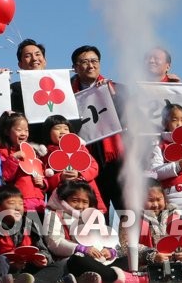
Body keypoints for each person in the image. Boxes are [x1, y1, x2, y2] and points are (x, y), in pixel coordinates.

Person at [69, 45, 124, 212]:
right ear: (75, 67)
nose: (90, 65)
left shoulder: (117, 88)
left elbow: (130, 118)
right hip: (85, 158)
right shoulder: (67, 93)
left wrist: (113, 96)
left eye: (94, 61)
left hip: (116, 157)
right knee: (95, 209)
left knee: (126, 209)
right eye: (84, 62)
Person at [41, 181, 126, 283]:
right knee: (79, 259)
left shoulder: (95, 217)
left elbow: (109, 240)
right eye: (75, 200)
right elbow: (54, 242)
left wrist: (110, 251)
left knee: (127, 260)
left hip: (101, 262)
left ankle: (105, 277)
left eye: (85, 202)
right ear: (64, 199)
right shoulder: (54, 215)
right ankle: (115, 277)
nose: (80, 206)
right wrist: (80, 249)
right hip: (73, 261)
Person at [122, 180, 182, 275]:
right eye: (150, 200)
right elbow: (126, 245)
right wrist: (153, 256)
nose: (155, 204)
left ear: (164, 198)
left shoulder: (174, 216)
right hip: (148, 268)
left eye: (159, 199)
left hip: (176, 266)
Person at [0, 185, 61, 283]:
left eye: (21, 204)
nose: (18, 208)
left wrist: (44, 259)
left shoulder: (30, 224)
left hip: (31, 269)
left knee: (60, 266)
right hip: (8, 272)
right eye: (12, 203)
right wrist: (10, 265)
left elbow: (43, 249)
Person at [39, 115, 105, 212]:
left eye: (66, 129)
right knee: (64, 220)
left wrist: (80, 174)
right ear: (48, 132)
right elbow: (45, 179)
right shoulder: (45, 154)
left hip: (86, 195)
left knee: (91, 219)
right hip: (63, 199)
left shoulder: (80, 148)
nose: (62, 131)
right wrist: (60, 177)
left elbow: (94, 167)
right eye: (57, 128)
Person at [0, 111, 47, 214]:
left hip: (39, 203)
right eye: (19, 130)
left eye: (26, 130)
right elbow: (4, 177)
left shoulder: (33, 152)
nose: (24, 133)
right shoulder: (1, 152)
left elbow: (41, 173)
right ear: (6, 131)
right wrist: (13, 158)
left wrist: (43, 184)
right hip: (20, 203)